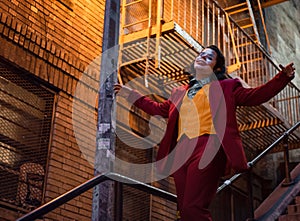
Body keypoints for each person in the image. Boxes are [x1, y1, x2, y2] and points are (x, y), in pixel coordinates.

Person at [113, 45, 295, 221]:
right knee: (183, 208)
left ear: (216, 67)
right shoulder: (179, 92)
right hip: (181, 151)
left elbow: (256, 96)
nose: (202, 57)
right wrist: (131, 94)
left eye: (209, 57)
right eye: (201, 54)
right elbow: (158, 109)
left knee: (194, 207)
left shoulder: (226, 87)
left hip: (208, 146)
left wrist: (281, 78)